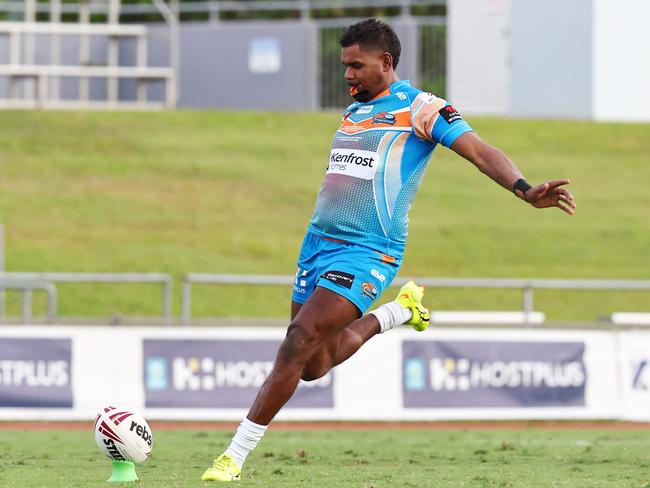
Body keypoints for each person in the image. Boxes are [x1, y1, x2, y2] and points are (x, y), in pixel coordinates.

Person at [201, 18, 576, 482]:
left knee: (298, 339)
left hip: (368, 250)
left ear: (386, 61)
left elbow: (480, 151)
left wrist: (523, 189)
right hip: (317, 245)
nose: (347, 76)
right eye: (344, 67)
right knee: (314, 364)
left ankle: (232, 457)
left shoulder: (423, 108)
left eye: (355, 65)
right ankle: (397, 313)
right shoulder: (354, 111)